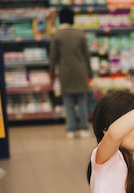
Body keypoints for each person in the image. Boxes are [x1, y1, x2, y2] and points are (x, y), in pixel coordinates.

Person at [49, 6, 93, 139]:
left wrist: (51, 74)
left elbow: (53, 58)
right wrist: (90, 72)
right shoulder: (80, 34)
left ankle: (71, 129)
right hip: (80, 71)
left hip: (65, 72)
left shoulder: (57, 35)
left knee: (68, 103)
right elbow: (86, 55)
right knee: (82, 102)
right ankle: (84, 127)